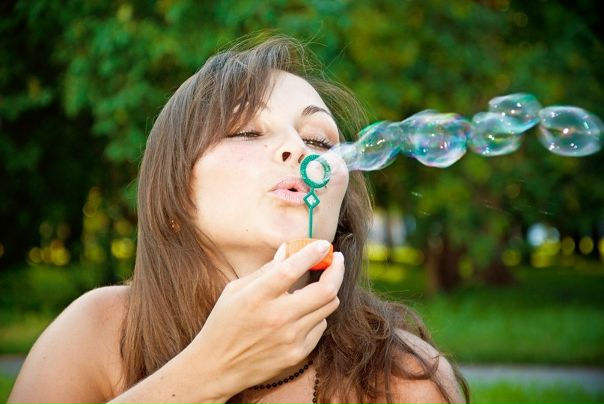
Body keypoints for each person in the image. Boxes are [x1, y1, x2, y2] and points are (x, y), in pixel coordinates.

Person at [8, 35, 469, 404]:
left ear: (341, 216)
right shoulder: (99, 334)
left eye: (320, 141)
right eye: (247, 131)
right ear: (174, 197)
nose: (297, 148)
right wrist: (207, 373)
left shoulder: (404, 381)